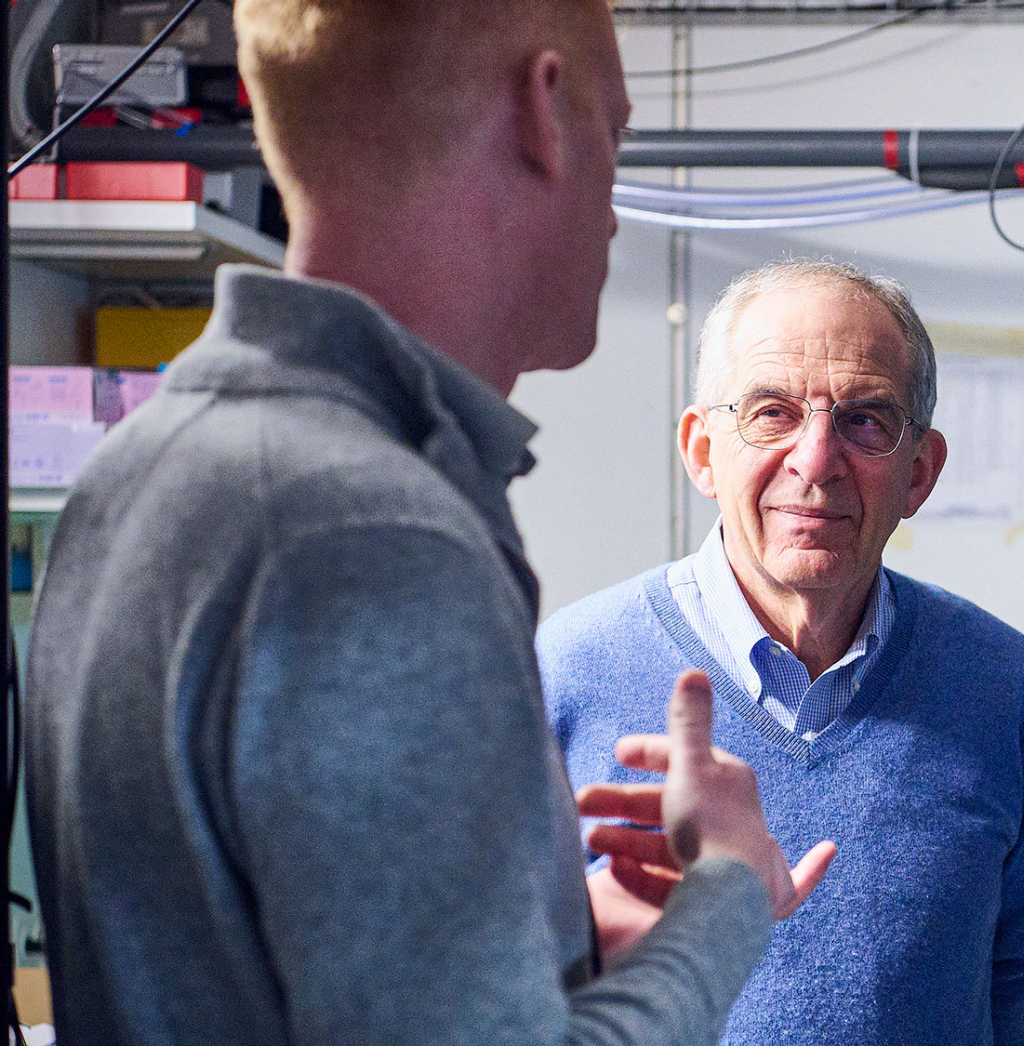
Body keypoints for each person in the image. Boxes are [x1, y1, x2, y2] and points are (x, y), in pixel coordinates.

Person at [23, 3, 832, 1044]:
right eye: (616, 135)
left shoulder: (137, 472)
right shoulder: (368, 535)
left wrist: (538, 934)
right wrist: (726, 891)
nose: (618, 210)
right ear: (543, 112)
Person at [538, 260, 1024, 1045]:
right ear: (700, 450)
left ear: (919, 471)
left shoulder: (1001, 685)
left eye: (865, 420)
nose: (816, 459)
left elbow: (1023, 973)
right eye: (771, 412)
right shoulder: (567, 669)